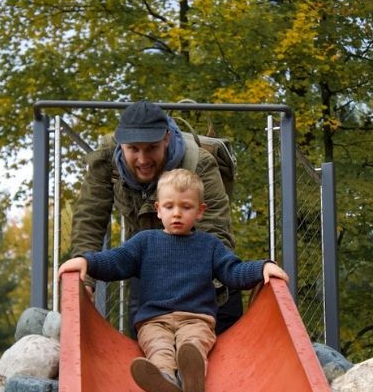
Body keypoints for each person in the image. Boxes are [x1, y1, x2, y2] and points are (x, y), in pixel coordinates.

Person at [58, 169, 288, 392]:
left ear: (200, 211)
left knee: (193, 342)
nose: (177, 213)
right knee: (158, 345)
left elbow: (233, 271)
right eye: (169, 207)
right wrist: (87, 261)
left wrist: (263, 267)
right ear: (158, 209)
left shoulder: (210, 246)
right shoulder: (145, 242)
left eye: (186, 207)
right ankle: (165, 379)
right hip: (154, 320)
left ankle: (191, 378)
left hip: (196, 318)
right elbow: (117, 260)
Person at [68, 99, 243, 334]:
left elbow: (216, 230)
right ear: (121, 145)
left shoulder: (199, 163)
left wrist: (196, 300)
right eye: (133, 149)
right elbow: (90, 216)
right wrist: (85, 278)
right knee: (146, 340)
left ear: (166, 139)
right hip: (151, 270)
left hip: (203, 275)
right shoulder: (106, 161)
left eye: (151, 148)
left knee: (215, 346)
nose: (142, 159)